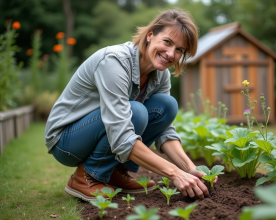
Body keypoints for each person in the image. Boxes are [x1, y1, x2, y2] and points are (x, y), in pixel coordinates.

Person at [45, 9, 217, 202]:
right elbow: (121, 133)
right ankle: (85, 177)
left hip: (102, 132)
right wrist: (175, 174)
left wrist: (189, 168)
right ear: (151, 34)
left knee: (166, 105)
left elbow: (164, 131)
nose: (170, 54)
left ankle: (113, 171)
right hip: (66, 140)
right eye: (167, 42)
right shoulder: (114, 62)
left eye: (180, 50)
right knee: (135, 111)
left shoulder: (161, 75)